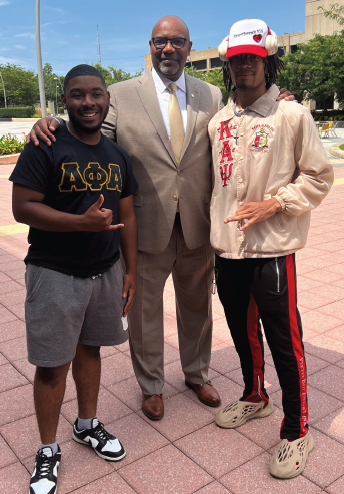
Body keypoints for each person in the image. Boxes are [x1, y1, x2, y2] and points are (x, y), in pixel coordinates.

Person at [27, 15, 294, 421]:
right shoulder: (119, 94)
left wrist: (278, 102)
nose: (168, 49)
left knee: (197, 310)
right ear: (150, 46)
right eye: (160, 41)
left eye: (177, 42)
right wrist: (52, 125)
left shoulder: (209, 94)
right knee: (144, 312)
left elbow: (235, 129)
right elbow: (90, 128)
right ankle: (151, 385)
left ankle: (196, 373)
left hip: (197, 227)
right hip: (144, 228)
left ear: (189, 48)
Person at [208, 19, 334, 479]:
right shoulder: (219, 121)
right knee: (242, 334)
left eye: (252, 58)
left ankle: (297, 429)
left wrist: (275, 203)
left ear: (267, 60)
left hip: (273, 248)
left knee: (285, 339)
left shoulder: (291, 116)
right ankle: (254, 396)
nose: (243, 66)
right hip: (227, 248)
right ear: (228, 63)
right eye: (236, 59)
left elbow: (319, 176)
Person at [11, 65, 138, 494]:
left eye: (97, 94)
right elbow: (22, 207)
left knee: (91, 351)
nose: (89, 102)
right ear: (64, 101)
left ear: (107, 99)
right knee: (51, 366)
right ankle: (47, 449)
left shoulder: (117, 155)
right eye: (78, 95)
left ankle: (86, 424)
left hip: (105, 272)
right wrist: (79, 224)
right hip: (54, 272)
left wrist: (131, 270)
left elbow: (127, 214)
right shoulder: (45, 144)